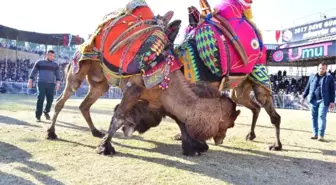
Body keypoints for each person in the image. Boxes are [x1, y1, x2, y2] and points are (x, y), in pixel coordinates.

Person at [301, 62, 335, 141]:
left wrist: (332, 101)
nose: (321, 70)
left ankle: (321, 135)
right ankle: (315, 134)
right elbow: (308, 87)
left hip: (324, 100)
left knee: (321, 116)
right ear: (318, 68)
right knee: (313, 117)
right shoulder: (312, 76)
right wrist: (303, 96)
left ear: (326, 69)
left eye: (323, 68)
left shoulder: (329, 77)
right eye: (320, 68)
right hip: (313, 100)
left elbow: (332, 90)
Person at [27, 50, 61, 122]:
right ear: (46, 55)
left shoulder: (55, 65)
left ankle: (46, 112)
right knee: (40, 98)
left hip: (51, 84)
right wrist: (30, 81)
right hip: (41, 83)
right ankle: (38, 116)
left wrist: (58, 84)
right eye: (50, 55)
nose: (52, 57)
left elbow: (58, 75)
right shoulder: (39, 63)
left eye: (53, 56)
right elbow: (33, 72)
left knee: (50, 99)